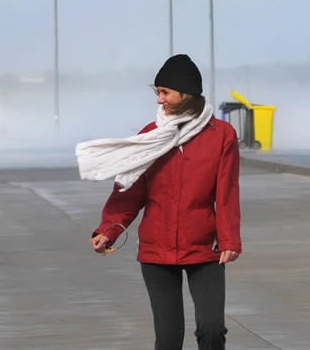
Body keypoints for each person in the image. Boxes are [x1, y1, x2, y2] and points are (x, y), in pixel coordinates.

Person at [76, 54, 241, 350]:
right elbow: (129, 192)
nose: (159, 100)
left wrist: (229, 239)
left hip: (205, 250)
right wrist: (107, 230)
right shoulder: (150, 137)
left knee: (212, 329)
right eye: (157, 93)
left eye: (164, 92)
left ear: (185, 93)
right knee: (168, 339)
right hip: (156, 250)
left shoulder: (221, 136)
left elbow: (226, 193)